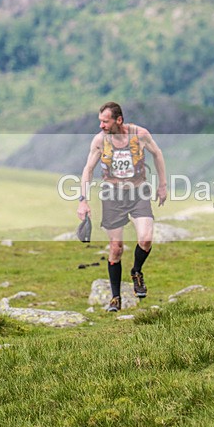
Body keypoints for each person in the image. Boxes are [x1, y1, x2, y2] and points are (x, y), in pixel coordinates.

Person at [77, 102, 168, 311]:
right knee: (116, 248)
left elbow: (158, 154)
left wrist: (162, 186)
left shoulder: (140, 134)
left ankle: (136, 271)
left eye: (105, 121)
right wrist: (83, 200)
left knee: (145, 238)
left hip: (138, 193)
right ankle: (115, 298)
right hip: (112, 196)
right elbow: (88, 169)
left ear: (119, 120)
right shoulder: (100, 141)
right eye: (100, 121)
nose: (101, 125)